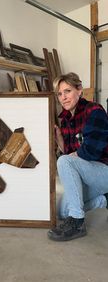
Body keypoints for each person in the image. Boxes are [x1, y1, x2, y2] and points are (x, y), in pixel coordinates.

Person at [48, 72, 108, 241]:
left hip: (104, 172)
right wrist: (60, 139)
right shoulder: (66, 118)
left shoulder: (94, 111)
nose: (63, 97)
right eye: (59, 94)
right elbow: (70, 158)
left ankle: (78, 224)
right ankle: (104, 200)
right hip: (89, 174)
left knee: (65, 161)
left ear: (79, 90)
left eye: (67, 91)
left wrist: (71, 156)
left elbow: (91, 152)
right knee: (62, 211)